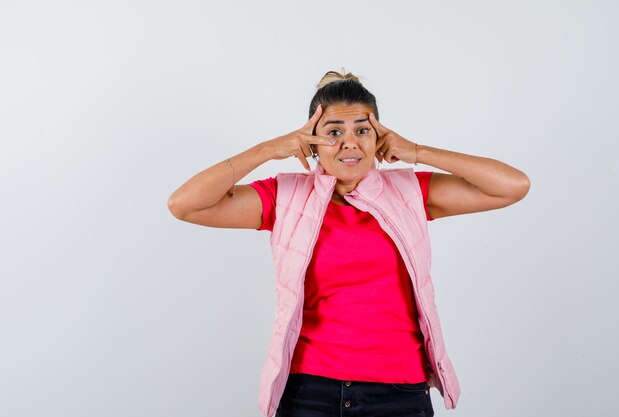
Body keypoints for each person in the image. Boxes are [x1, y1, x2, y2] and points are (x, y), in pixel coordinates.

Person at [167, 69, 531, 417]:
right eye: (333, 131)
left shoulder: (410, 191)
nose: (349, 143)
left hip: (399, 393)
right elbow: (184, 204)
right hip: (310, 391)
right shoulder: (286, 196)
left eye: (363, 129)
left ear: (379, 138)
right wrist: (267, 149)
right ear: (311, 140)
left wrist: (416, 150)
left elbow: (513, 186)